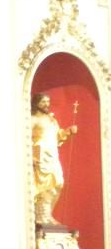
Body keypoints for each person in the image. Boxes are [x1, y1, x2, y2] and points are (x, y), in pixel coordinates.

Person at [32, 91, 77, 224]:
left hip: (52, 155)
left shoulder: (52, 120)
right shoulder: (32, 119)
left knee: (58, 182)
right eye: (43, 101)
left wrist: (68, 131)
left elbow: (57, 136)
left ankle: (47, 214)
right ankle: (42, 218)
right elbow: (25, 137)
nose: (47, 104)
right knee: (45, 186)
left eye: (48, 101)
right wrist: (31, 154)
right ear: (36, 103)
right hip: (41, 156)